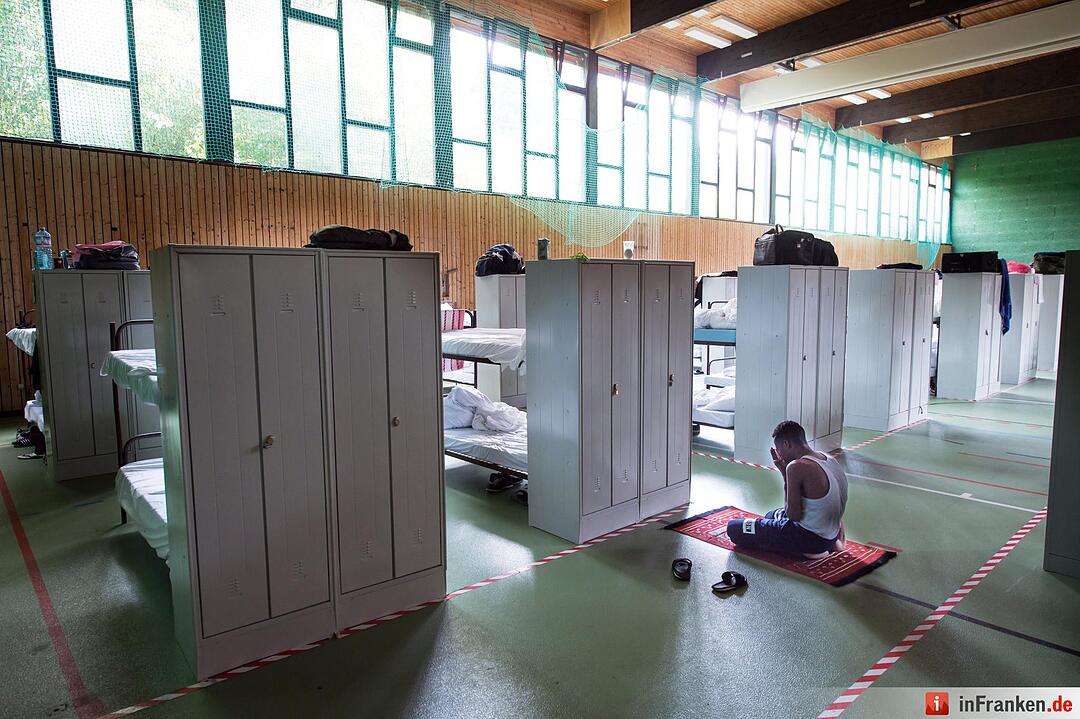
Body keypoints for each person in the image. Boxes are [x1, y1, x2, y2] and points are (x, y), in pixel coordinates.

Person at [726, 420, 847, 559]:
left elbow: (793, 516)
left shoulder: (796, 466)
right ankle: (829, 545)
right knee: (770, 515)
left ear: (786, 444)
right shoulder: (829, 458)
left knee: (733, 527)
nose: (780, 455)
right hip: (831, 534)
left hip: (808, 538)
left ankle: (807, 551)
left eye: (779, 450)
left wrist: (785, 474)